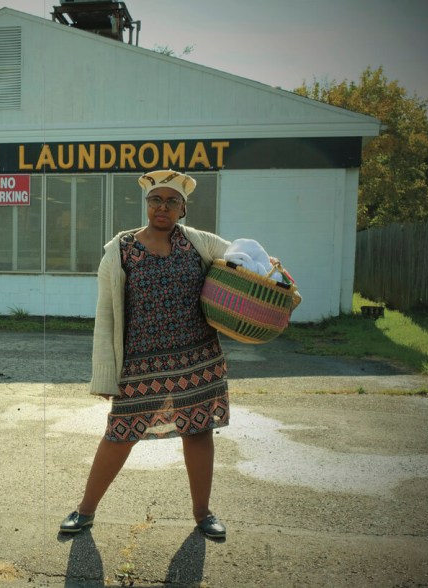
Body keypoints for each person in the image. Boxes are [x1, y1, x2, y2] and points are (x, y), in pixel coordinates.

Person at [60, 169, 248, 540]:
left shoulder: (198, 243)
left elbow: (243, 257)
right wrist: (105, 374)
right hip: (141, 363)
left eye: (172, 201)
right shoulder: (120, 250)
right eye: (156, 200)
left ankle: (202, 514)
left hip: (197, 359)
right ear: (146, 204)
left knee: (198, 432)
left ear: (183, 208)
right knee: (120, 435)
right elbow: (106, 316)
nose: (163, 207)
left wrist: (272, 270)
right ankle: (85, 511)